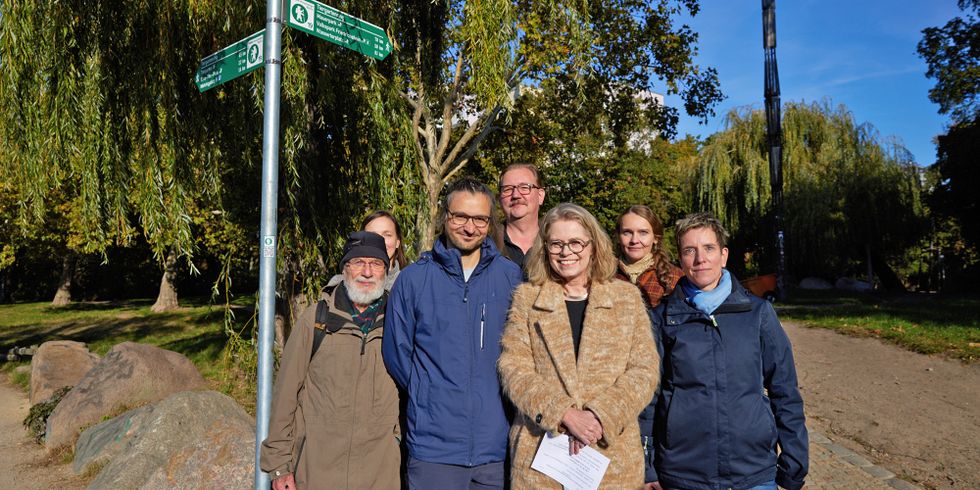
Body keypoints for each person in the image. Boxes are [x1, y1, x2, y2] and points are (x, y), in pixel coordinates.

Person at [498, 202, 659, 489]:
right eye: (556, 244)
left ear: (593, 246)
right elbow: (514, 368)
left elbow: (644, 370)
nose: (566, 252)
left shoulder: (626, 298)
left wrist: (600, 414)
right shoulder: (527, 298)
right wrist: (564, 413)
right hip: (542, 457)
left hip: (610, 456)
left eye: (575, 243)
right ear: (545, 248)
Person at [641, 213, 808, 490]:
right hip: (683, 473)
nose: (700, 259)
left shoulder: (757, 314)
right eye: (689, 250)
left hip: (752, 471)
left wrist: (794, 464)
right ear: (680, 260)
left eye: (708, 248)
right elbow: (648, 400)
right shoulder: (662, 319)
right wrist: (648, 468)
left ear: (724, 255)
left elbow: (785, 390)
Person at [383, 177, 523, 489]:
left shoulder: (511, 278)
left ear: (490, 222)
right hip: (433, 450)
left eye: (479, 219)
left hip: (495, 449)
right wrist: (429, 392)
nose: (470, 228)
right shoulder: (413, 280)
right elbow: (398, 355)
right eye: (461, 216)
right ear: (446, 215)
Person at [261, 231, 401, 490]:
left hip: (380, 474)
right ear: (345, 268)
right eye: (358, 262)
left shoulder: (399, 322)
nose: (367, 272)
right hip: (316, 472)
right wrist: (280, 465)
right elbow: (285, 396)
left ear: (387, 269)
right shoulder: (315, 320)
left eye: (376, 264)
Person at [614, 205, 683, 308]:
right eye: (627, 232)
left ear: (655, 238)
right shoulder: (603, 275)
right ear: (618, 237)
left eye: (643, 233)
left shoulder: (675, 277)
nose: (634, 240)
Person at [327, 210, 409, 291]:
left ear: (397, 242)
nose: (380, 241)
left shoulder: (408, 284)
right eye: (372, 235)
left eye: (387, 235)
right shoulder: (339, 283)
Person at [498, 163, 546, 270]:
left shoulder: (556, 244)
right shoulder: (485, 246)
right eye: (507, 189)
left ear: (540, 195)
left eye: (524, 187)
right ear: (500, 198)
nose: (515, 195)